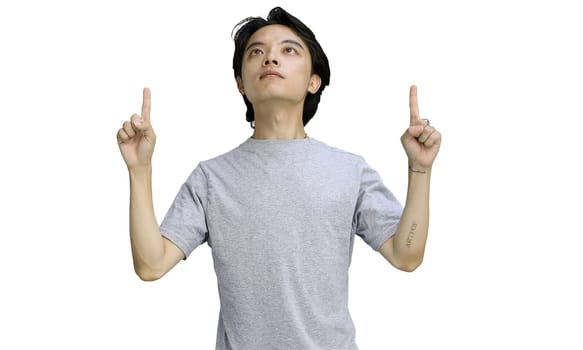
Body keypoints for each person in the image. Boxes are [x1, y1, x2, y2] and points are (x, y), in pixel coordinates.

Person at [116, 6, 441, 350]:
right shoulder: (212, 178)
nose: (270, 58)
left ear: (314, 80)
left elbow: (406, 256)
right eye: (256, 52)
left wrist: (420, 169)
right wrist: (140, 170)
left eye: (288, 50)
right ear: (241, 83)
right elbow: (151, 265)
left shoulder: (350, 171)